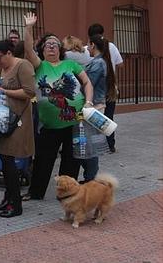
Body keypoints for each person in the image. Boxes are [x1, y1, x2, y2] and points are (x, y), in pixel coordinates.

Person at [21, 12, 94, 201]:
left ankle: (67, 193)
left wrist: (88, 101)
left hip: (75, 122)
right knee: (43, 160)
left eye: (55, 44)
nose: (52, 47)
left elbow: (87, 83)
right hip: (50, 126)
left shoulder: (70, 64)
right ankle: (36, 192)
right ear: (42, 50)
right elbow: (28, 49)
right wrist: (28, 27)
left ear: (60, 48)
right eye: (48, 44)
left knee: (72, 160)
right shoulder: (39, 65)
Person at [0, 40, 36, 217]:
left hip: (17, 120)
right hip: (2, 119)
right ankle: (8, 198)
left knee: (9, 161)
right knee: (4, 160)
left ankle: (16, 205)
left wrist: (3, 92)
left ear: (9, 53)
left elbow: (29, 92)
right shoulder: (1, 68)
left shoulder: (23, 65)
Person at [80, 35, 117, 182]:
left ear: (93, 45)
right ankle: (90, 176)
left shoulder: (98, 63)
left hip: (93, 108)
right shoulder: (100, 62)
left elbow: (89, 84)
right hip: (94, 106)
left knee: (90, 145)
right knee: (87, 143)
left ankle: (91, 178)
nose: (87, 48)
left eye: (88, 45)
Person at [88, 23, 123, 153]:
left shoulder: (89, 50)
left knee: (96, 119)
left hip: (98, 90)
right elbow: (120, 64)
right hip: (111, 87)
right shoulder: (111, 46)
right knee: (108, 117)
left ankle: (97, 146)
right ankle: (110, 144)